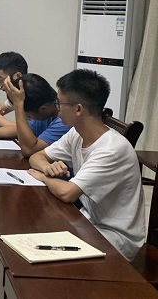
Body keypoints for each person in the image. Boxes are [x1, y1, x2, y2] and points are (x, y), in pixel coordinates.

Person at [28, 69, 145, 261]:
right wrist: (47, 167)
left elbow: (67, 193)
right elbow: (37, 156)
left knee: (39, 246)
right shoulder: (77, 133)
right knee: (35, 230)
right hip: (89, 220)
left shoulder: (112, 149)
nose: (57, 108)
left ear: (78, 109)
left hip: (116, 238)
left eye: (60, 103)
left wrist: (43, 177)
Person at [0, 73, 71, 157]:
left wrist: (18, 105)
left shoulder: (64, 121)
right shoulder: (46, 111)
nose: (27, 118)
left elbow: (29, 150)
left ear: (43, 109)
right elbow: (18, 129)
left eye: (28, 116)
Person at [0, 51, 28, 128]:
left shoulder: (32, 94)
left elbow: (24, 129)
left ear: (17, 76)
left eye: (1, 80)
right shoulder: (16, 96)